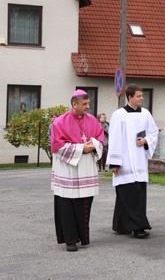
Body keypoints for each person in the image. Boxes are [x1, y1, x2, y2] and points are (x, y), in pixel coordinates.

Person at [51, 90, 104, 251]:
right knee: (68, 205)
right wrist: (82, 148)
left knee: (84, 203)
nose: (88, 106)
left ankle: (83, 237)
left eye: (88, 103)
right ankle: (70, 240)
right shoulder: (59, 122)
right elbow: (57, 146)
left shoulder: (92, 120)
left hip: (86, 168)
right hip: (69, 170)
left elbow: (100, 137)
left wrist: (94, 145)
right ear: (74, 104)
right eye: (84, 104)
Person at [107, 84, 159, 239]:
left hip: (139, 160)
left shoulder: (146, 114)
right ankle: (138, 227)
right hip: (125, 161)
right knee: (127, 194)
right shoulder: (119, 115)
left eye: (142, 96)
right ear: (130, 97)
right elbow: (114, 138)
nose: (141, 98)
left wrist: (146, 140)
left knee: (138, 193)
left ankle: (121, 225)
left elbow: (154, 132)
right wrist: (114, 162)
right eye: (138, 96)